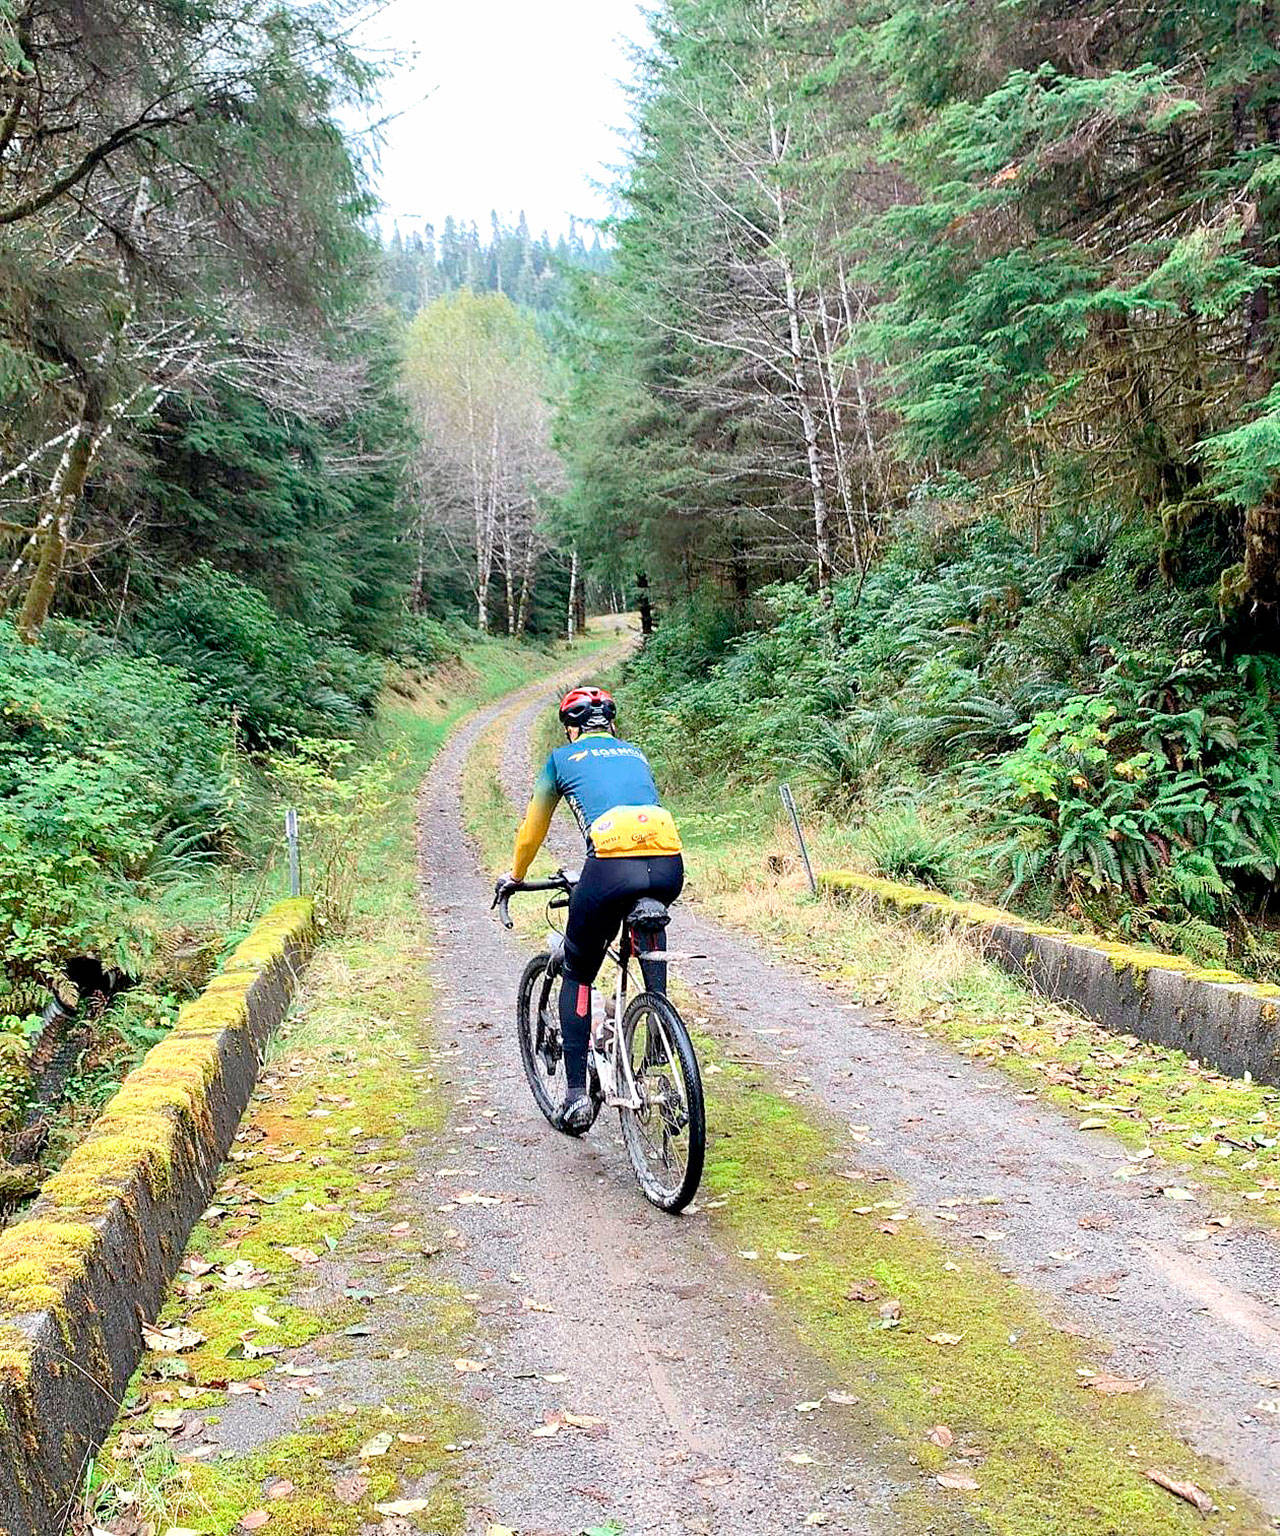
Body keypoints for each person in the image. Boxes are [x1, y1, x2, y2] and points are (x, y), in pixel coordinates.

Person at [494, 686, 683, 1134]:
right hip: (669, 868)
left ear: (570, 728)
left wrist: (516, 876)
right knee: (645, 918)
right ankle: (657, 1030)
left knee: (578, 970)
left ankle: (576, 1095)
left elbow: (532, 829)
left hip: (609, 871)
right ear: (612, 725)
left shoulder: (562, 760)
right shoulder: (635, 754)